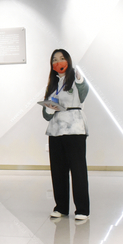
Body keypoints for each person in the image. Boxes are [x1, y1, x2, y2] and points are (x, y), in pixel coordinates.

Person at [42, 49, 90, 221]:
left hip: (74, 128)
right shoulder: (52, 85)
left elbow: (84, 93)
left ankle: (82, 209)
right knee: (58, 170)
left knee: (78, 169)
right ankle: (61, 207)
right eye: (54, 60)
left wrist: (80, 79)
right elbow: (46, 115)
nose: (58, 62)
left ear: (68, 61)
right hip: (56, 130)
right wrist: (49, 108)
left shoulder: (75, 79)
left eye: (62, 59)